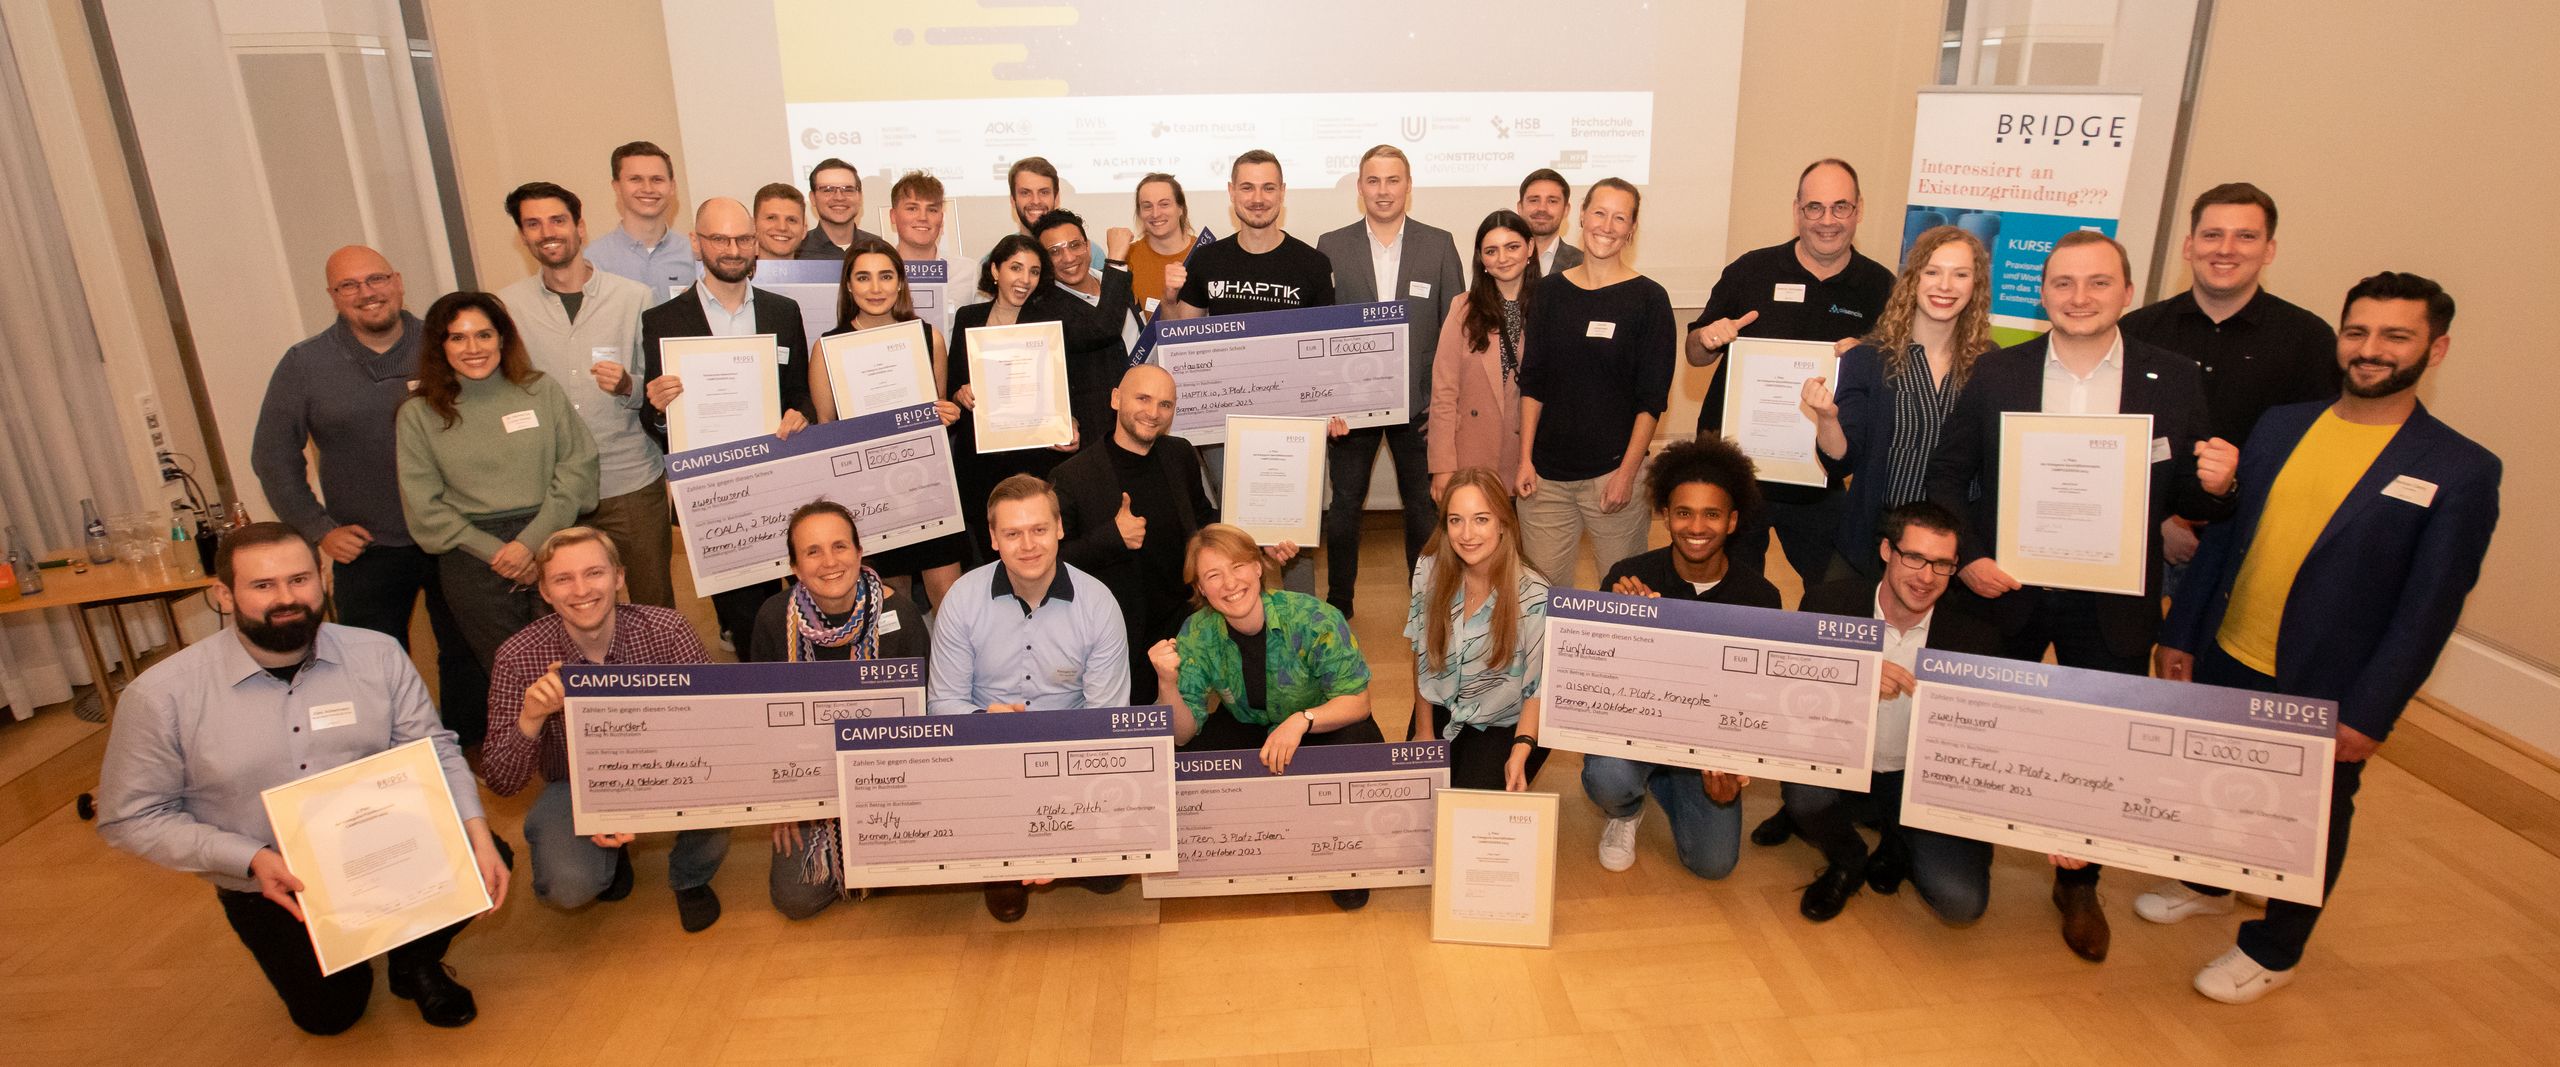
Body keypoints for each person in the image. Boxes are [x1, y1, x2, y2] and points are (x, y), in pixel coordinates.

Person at [2147, 272, 2499, 1003]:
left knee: (2309, 814)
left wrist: (2372, 711)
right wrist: (2183, 631)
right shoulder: (2282, 423)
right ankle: (2210, 883)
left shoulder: (2458, 469)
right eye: (2358, 332)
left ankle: (2275, 947)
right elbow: (2223, 539)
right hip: (2231, 649)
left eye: (2394, 336)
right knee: (2218, 779)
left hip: (2330, 678)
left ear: (2436, 349)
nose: (2371, 351)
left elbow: (2429, 607)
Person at [1922, 230, 2238, 963]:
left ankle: (2079, 880)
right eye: (2063, 283)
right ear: (2042, 293)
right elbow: (1946, 477)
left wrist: (2221, 487)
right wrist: (1968, 559)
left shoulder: (2175, 377)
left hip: (2113, 602)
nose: (2079, 297)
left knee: (2097, 741)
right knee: (1987, 723)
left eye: (2098, 283)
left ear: (2127, 292)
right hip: (2006, 591)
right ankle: (1971, 844)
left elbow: (2192, 495)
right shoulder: (1999, 373)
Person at [96, 523, 512, 1034]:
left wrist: (473, 828)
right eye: (263, 585)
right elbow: (129, 818)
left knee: (488, 854)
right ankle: (363, 948)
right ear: (223, 595)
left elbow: (432, 749)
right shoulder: (161, 696)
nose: (286, 598)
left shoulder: (377, 654)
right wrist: (247, 858)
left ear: (324, 579)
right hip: (271, 878)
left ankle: (414, 959)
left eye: (299, 580)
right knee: (331, 1014)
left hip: (384, 845)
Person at [252, 245, 486, 743]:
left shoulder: (446, 344)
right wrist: (320, 531)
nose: (367, 293)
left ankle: (464, 748)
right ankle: (395, 751)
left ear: (398, 281)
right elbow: (272, 457)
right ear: (333, 297)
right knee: (369, 662)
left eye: (376, 279)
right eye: (349, 286)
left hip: (454, 536)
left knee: (465, 650)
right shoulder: (304, 364)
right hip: (367, 547)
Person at [481, 528, 726, 931]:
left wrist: (647, 797)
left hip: (671, 768)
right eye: (563, 579)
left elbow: (720, 726)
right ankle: (608, 862)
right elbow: (502, 781)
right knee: (569, 885)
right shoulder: (518, 657)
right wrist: (531, 718)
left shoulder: (668, 631)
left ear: (618, 577)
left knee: (724, 783)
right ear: (544, 591)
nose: (581, 590)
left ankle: (691, 876)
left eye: (594, 573)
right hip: (575, 785)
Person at [395, 291, 600, 741]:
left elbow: (577, 466)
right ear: (440, 346)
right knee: (515, 675)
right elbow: (425, 507)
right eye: (458, 337)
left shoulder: (540, 389)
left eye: (484, 334)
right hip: (474, 559)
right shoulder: (418, 414)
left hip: (553, 540)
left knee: (578, 663)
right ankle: (551, 772)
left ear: (502, 338)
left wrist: (530, 544)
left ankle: (600, 766)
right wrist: (499, 552)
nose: (474, 348)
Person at [1783, 502, 2000, 924]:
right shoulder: (1830, 603)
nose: (1925, 577)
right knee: (1803, 795)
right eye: (1914, 557)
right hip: (1846, 766)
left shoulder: (1976, 637)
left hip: (1921, 782)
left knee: (1961, 903)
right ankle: (1849, 859)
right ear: (1887, 551)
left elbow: (1994, 745)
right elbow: (1789, 696)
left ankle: (1900, 842)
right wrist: (1853, 677)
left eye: (1941, 564)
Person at [927, 474, 1132, 921]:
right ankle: (1005, 858)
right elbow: (942, 704)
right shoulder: (962, 600)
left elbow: (1107, 721)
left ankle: (1057, 851)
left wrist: (1065, 802)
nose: (1028, 545)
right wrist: (984, 720)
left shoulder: (1099, 606)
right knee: (1006, 897)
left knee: (1111, 876)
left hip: (1072, 755)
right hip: (990, 755)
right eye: (1013, 533)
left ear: (1060, 528)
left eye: (1039, 530)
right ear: (994, 540)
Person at [1685, 159, 1896, 585]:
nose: (1827, 221)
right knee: (1732, 596)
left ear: (1859, 210)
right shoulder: (1751, 270)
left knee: (1835, 594)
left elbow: (1897, 382)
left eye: (1840, 207)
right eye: (1815, 207)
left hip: (1821, 477)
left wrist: (1871, 359)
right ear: (1797, 209)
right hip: (1739, 478)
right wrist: (1707, 338)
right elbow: (1694, 353)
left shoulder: (1880, 287)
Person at [1147, 522, 1379, 909]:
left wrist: (1300, 721)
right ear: (1201, 589)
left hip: (1319, 721)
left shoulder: (1313, 618)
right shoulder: (1197, 632)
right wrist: (1166, 685)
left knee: (1359, 746)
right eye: (1213, 576)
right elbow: (1182, 735)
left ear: (1258, 567)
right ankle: (1244, 846)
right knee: (1181, 766)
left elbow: (1358, 701)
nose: (1229, 583)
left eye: (1238, 566)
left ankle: (1341, 855)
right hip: (1249, 722)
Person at [1584, 437, 1778, 879]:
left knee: (1714, 864)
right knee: (1608, 778)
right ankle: (1627, 809)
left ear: (1732, 521)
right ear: (1665, 515)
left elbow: (1757, 700)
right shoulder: (1629, 579)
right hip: (1636, 731)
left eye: (1712, 514)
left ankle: (1666, 784)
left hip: (1705, 746)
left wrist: (1733, 771)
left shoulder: (1760, 598)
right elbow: (1594, 681)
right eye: (1684, 512)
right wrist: (1624, 626)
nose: (1697, 526)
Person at [2119, 182, 2341, 570]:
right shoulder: (2137, 331)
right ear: (2189, 246)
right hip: (2147, 542)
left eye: (2246, 236)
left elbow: (2313, 457)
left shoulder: (2309, 340)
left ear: (2269, 249)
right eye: (2212, 235)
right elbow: (2115, 439)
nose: (2226, 249)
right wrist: (2162, 522)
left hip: (2254, 547)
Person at [639, 197, 819, 650]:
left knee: (804, 596)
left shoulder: (783, 311)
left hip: (779, 479)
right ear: (697, 244)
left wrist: (803, 413)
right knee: (747, 617)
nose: (733, 249)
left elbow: (799, 391)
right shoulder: (663, 320)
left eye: (742, 238)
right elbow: (652, 418)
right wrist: (659, 409)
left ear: (755, 244)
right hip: (714, 492)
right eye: (720, 238)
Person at [746, 501, 931, 920]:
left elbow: (920, 719)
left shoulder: (900, 615)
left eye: (839, 546)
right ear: (794, 565)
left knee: (921, 869)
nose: (829, 562)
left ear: (860, 551)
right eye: (812, 552)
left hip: (885, 777)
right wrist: (782, 803)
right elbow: (761, 721)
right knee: (796, 900)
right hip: (809, 781)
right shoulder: (774, 619)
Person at [495, 181, 676, 609]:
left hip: (629, 480)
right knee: (568, 607)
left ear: (580, 226)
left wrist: (628, 385)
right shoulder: (506, 307)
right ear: (523, 236)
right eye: (533, 224)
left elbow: (656, 385)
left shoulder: (633, 297)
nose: (547, 232)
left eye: (557, 220)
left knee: (653, 603)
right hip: (552, 488)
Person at [1317, 145, 1467, 619]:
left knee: (1423, 510)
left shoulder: (1439, 243)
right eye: (1374, 181)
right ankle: (1340, 602)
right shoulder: (1331, 244)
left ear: (1408, 186)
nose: (1384, 191)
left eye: (1393, 180)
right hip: (1350, 406)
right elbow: (1320, 330)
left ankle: (1424, 600)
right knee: (1343, 505)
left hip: (1420, 404)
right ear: (1360, 188)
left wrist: (1450, 406)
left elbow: (1456, 327)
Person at [1800, 225, 1995, 582]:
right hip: (1876, 542)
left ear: (1976, 285)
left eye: (1961, 274)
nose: (1945, 286)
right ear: (1912, 279)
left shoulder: (1990, 366)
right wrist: (1827, 417)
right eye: (1932, 272)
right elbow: (1841, 461)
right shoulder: (1870, 359)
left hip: (1955, 554)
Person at [1514, 178, 1676, 589]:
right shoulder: (1549, 293)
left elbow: (1651, 399)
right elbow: (1533, 382)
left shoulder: (1650, 300)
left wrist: (1626, 472)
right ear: (1581, 216)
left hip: (1614, 476)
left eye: (1620, 217)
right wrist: (1525, 459)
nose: (1607, 225)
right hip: (1545, 481)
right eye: (1599, 213)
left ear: (1632, 229)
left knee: (1622, 599)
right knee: (1542, 600)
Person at [808, 235, 969, 607]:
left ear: (900, 282)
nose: (876, 288)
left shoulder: (929, 338)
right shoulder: (828, 347)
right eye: (863, 278)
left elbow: (936, 412)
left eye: (885, 276)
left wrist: (947, 414)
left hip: (926, 484)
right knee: (890, 602)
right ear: (848, 285)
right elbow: (826, 427)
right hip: (869, 493)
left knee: (949, 596)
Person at [1054, 364, 1213, 705]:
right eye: (1143, 398)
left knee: (1186, 724)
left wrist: (1257, 540)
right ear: (1116, 399)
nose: (1153, 413)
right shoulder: (1072, 477)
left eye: (1165, 404)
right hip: (1119, 637)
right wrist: (1111, 537)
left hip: (1183, 624)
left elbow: (1202, 520)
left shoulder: (1180, 454)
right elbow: (1050, 562)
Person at [1406, 467, 1549, 792]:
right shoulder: (1428, 569)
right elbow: (1420, 651)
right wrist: (1423, 729)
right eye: (1456, 520)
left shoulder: (1535, 596)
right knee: (1423, 808)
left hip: (1507, 721)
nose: (1467, 534)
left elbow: (1538, 689)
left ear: (1503, 523)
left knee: (1467, 814)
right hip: (1444, 705)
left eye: (1481, 519)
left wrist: (1520, 749)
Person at [947, 234, 1083, 558]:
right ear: (995, 270)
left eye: (1034, 272)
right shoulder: (968, 317)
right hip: (979, 462)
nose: (1025, 280)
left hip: (1033, 458)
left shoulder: (1048, 324)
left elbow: (1063, 391)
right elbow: (952, 386)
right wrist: (960, 393)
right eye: (1016, 268)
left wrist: (1070, 423)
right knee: (990, 548)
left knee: (1033, 549)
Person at [1427, 210, 1540, 503]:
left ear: (1530, 247)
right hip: (1473, 453)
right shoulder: (1463, 308)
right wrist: (1442, 467)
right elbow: (1444, 392)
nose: (1502, 257)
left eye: (1512, 246)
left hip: (1532, 454)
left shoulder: (1550, 305)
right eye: (1492, 250)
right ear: (1482, 260)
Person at [1164, 150, 1335, 319]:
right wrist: (1169, 301)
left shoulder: (1315, 265)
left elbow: (1326, 338)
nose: (1258, 199)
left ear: (1282, 192)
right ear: (1232, 191)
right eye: (1247, 188)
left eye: (1268, 188)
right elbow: (1181, 340)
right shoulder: (1205, 259)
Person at [1026, 208, 1140, 439]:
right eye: (1054, 252)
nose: (1068, 258)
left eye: (1075, 245)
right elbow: (1103, 328)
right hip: (1097, 430)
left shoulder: (1109, 280)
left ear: (1088, 246)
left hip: (1142, 412)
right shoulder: (1043, 306)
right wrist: (1116, 259)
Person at [584, 141, 694, 294]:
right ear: (616, 187)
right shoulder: (593, 261)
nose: (648, 189)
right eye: (635, 179)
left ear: (672, 187)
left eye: (657, 179)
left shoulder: (695, 256)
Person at [1127, 172, 1206, 319]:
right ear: (1139, 212)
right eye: (1147, 206)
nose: (1155, 214)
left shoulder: (1207, 253)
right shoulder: (1128, 256)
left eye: (1164, 204)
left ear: (1180, 208)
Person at [797, 157, 885, 261]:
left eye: (848, 190)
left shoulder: (879, 248)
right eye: (828, 190)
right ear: (812, 198)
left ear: (860, 197)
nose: (839, 197)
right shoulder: (797, 251)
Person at [1516, 168, 1582, 276]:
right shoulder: (1502, 261)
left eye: (1552, 201)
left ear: (1566, 209)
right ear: (1520, 207)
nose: (1542, 208)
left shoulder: (1582, 263)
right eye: (1534, 200)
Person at [887, 170, 948, 265]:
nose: (923, 217)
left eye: (932, 210)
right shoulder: (875, 271)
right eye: (912, 209)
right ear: (893, 216)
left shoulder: (969, 272)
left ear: (941, 218)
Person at [751, 182, 810, 260]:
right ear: (753, 226)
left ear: (804, 230)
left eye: (791, 220)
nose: (782, 227)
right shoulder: (735, 272)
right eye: (771, 218)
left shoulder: (824, 272)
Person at [1008, 156, 1060, 234]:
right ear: (1012, 200)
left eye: (1044, 192)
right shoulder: (1006, 246)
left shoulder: (1077, 245)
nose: (1036, 201)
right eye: (1025, 193)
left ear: (1056, 198)